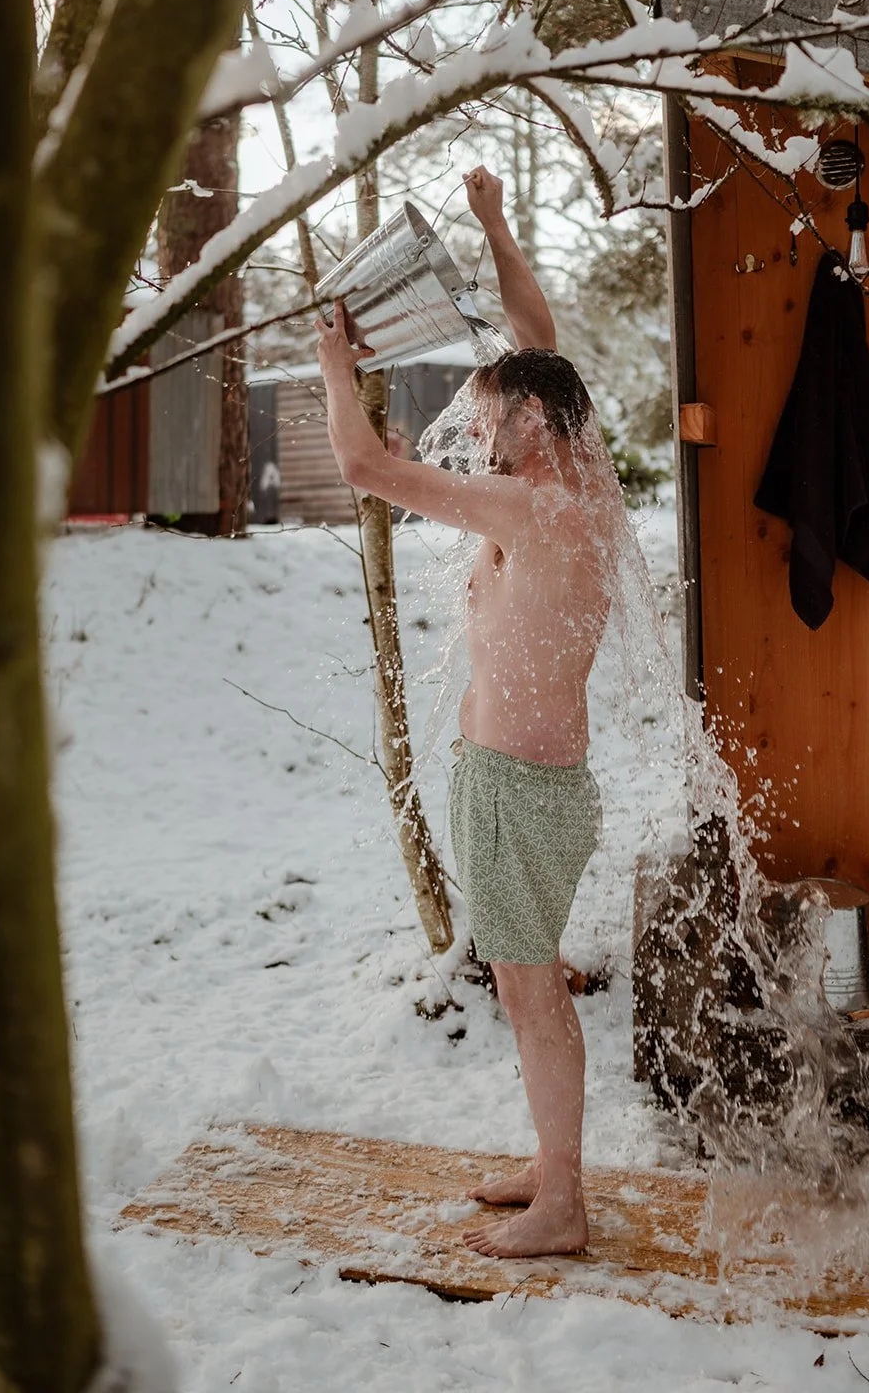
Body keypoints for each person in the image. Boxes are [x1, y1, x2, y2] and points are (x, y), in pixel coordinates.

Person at [316, 167, 611, 1259]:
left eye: (492, 417)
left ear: (531, 423)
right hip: (529, 787)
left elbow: (358, 463)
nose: (478, 428)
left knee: (529, 993)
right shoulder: (570, 472)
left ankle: (564, 1202)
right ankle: (551, 1164)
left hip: (521, 795)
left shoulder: (530, 504)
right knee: (526, 984)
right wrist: (492, 223)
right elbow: (533, 336)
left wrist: (333, 364)